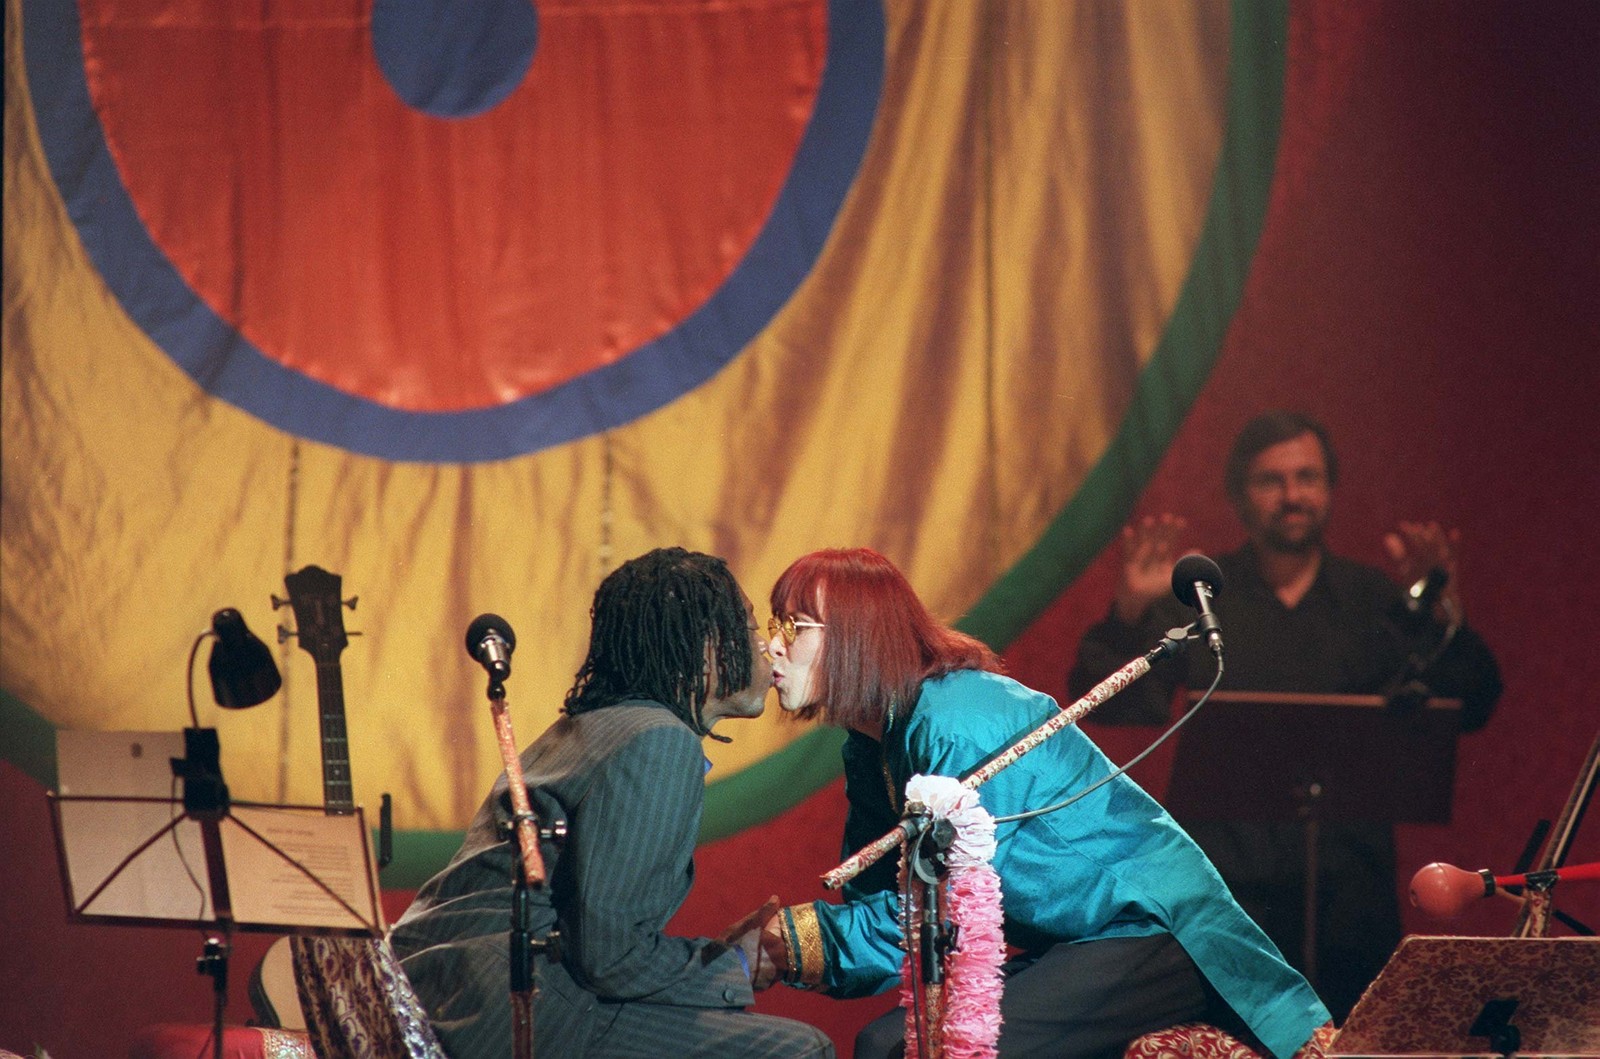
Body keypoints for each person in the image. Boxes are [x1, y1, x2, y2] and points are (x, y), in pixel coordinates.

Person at [756, 547, 1329, 1059]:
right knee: (882, 1043)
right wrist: (790, 945)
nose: (773, 643)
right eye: (774, 623)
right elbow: (886, 898)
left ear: (859, 633)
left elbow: (939, 909)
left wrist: (789, 946)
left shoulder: (956, 723)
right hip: (1084, 941)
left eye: (795, 625)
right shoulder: (872, 746)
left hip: (1149, 929)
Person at [1069, 410, 1503, 1021]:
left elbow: (1475, 704)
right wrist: (1129, 616)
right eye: (1271, 480)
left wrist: (1446, 620)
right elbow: (1110, 709)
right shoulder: (1203, 596)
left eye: (1308, 477)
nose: (1292, 495)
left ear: (1329, 490)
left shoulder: (1372, 599)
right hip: (1227, 894)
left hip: (1351, 895)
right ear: (1240, 496)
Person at [390, 548, 834, 1059]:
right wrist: (731, 966)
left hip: (449, 985)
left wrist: (713, 959)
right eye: (752, 627)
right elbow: (608, 957)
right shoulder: (658, 740)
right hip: (504, 1006)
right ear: (703, 648)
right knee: (800, 1050)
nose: (765, 647)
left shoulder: (605, 725)